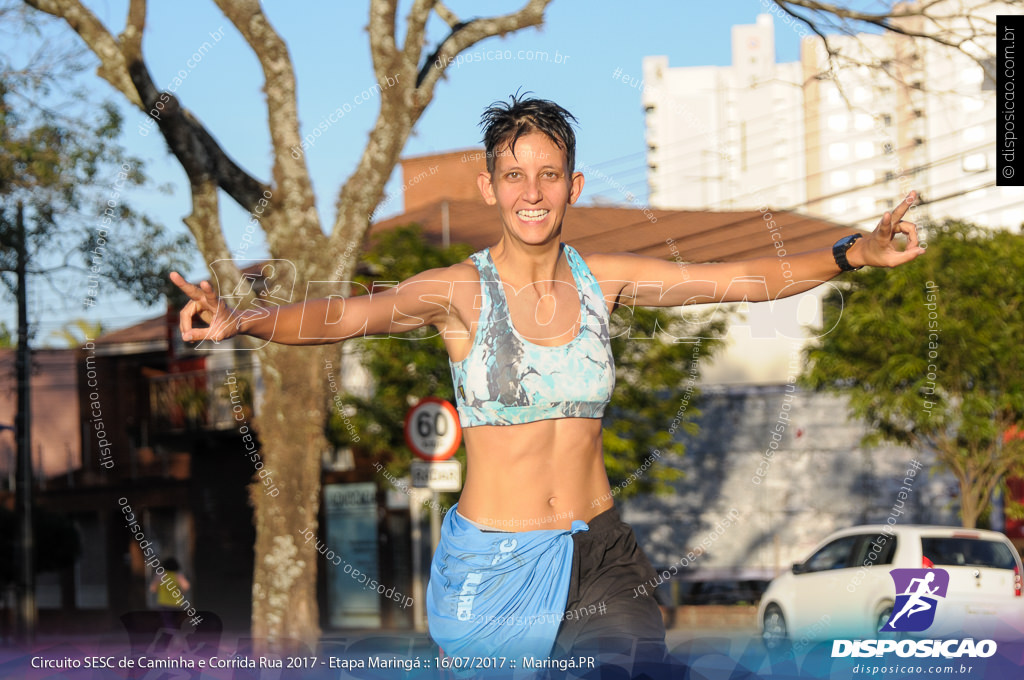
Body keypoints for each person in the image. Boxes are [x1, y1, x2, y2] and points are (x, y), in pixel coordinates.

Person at [170, 95, 924, 666]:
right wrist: (245, 321)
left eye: (548, 174)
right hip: (496, 565)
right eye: (514, 174)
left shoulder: (610, 281)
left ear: (573, 184)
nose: (532, 191)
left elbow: (738, 280)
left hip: (601, 550)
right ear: (490, 185)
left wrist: (852, 252)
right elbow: (346, 316)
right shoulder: (459, 292)